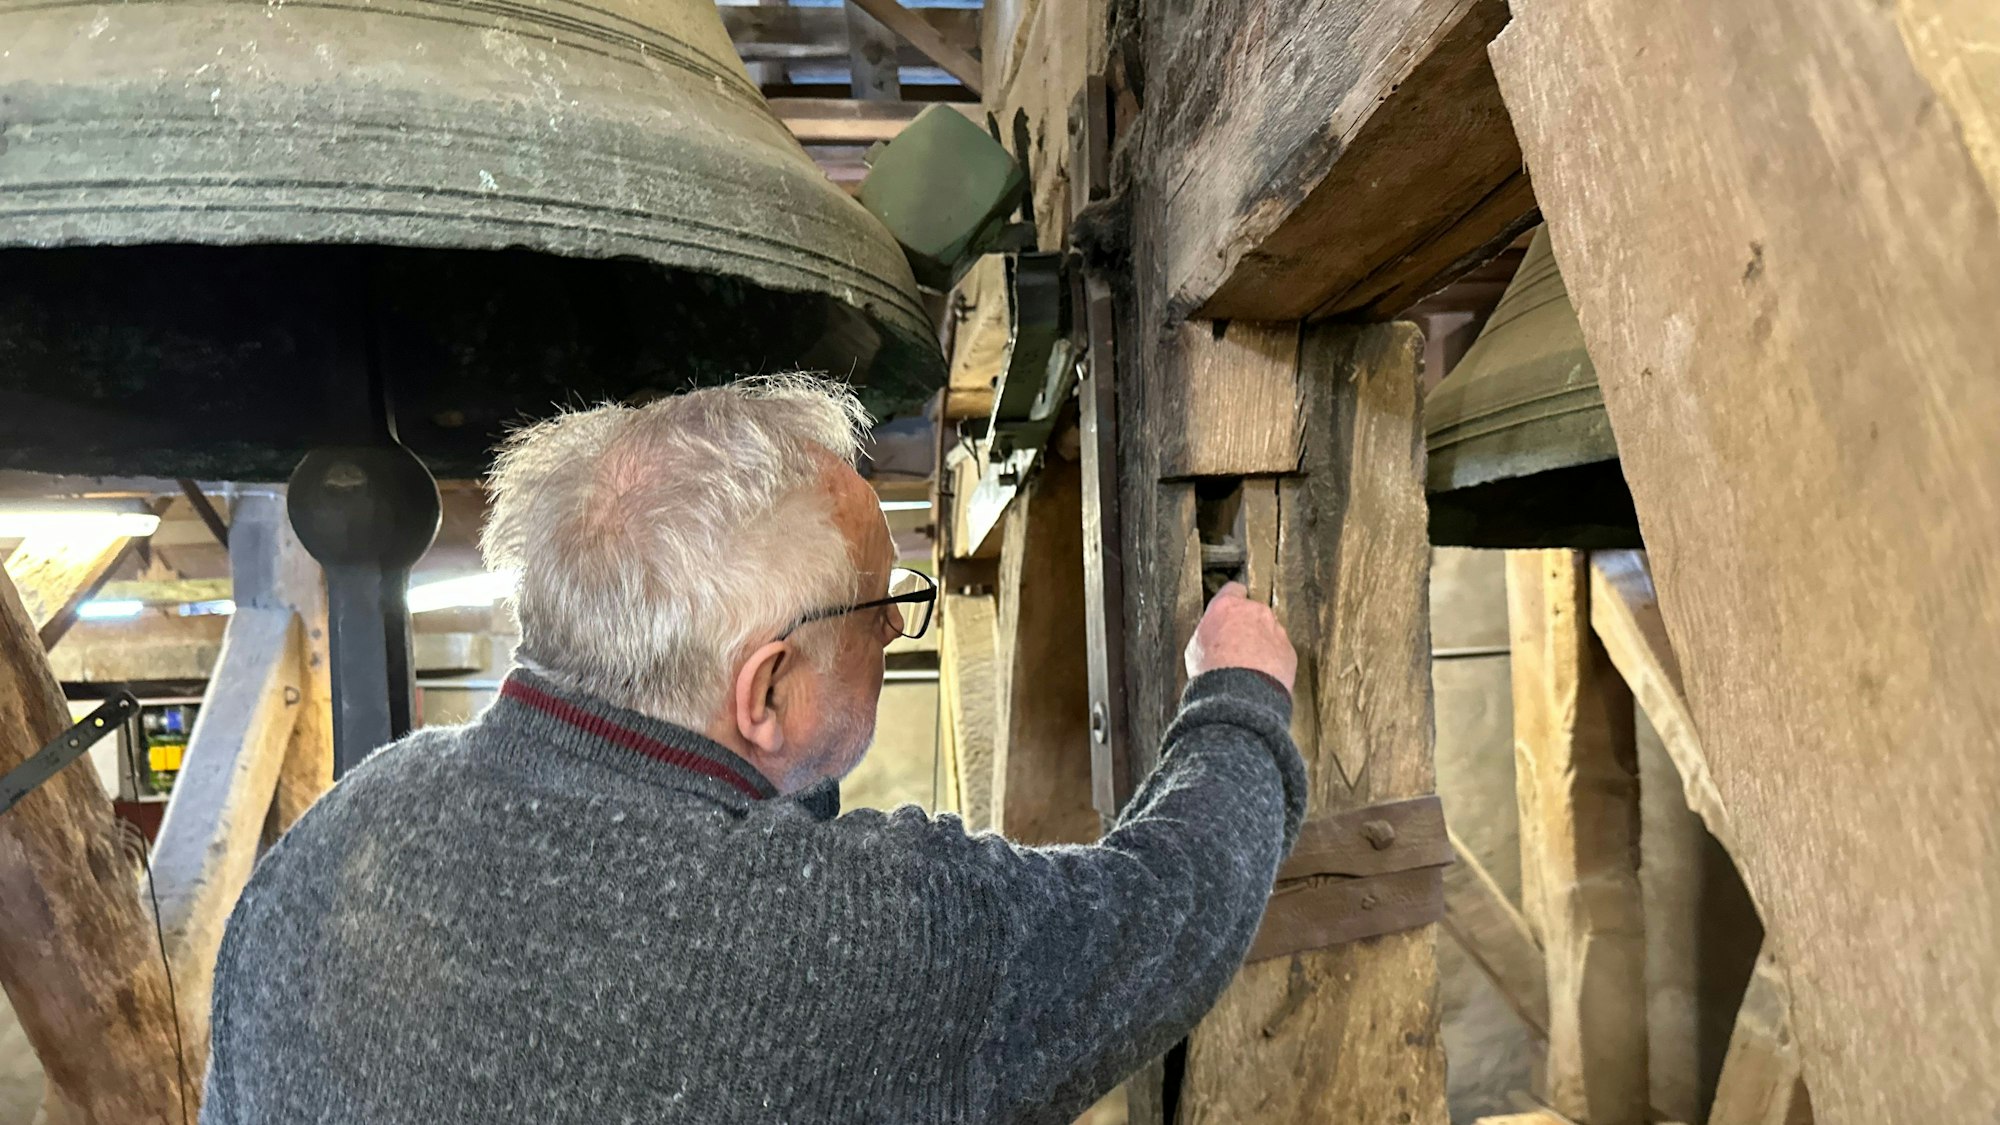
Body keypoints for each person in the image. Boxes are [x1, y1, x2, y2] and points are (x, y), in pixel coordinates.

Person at [202, 375, 1305, 1124]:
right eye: (881, 609)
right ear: (767, 688)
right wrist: (1238, 695)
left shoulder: (337, 833)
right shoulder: (845, 938)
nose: (889, 630)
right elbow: (1166, 906)